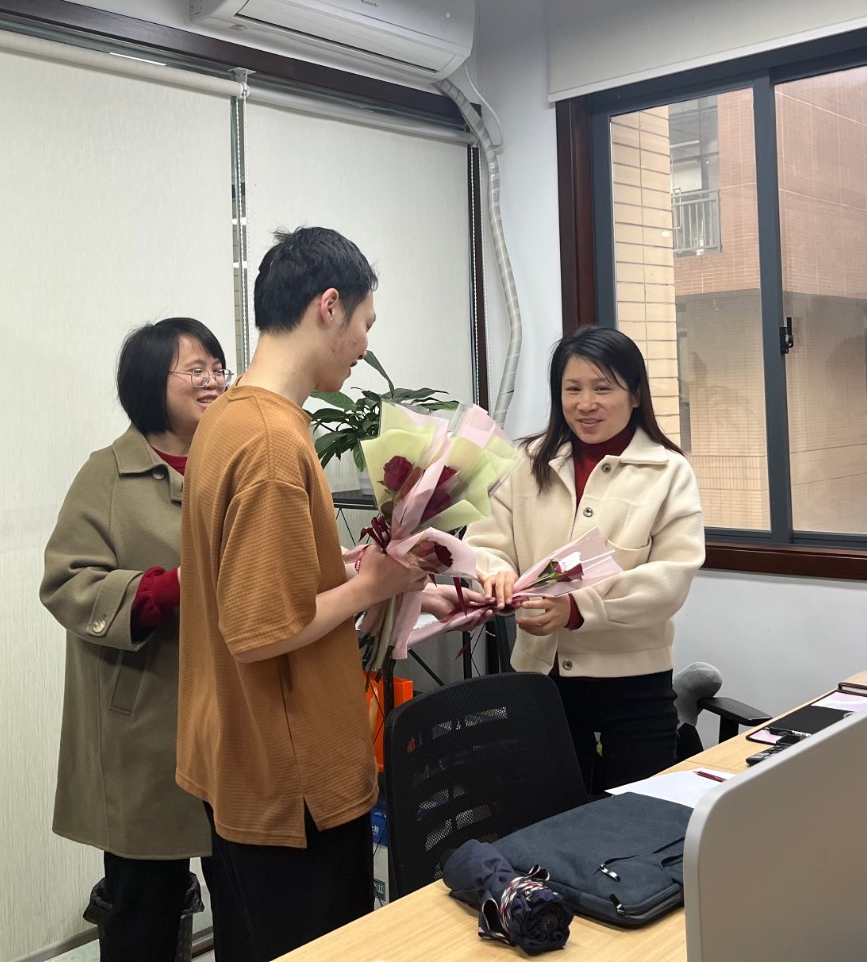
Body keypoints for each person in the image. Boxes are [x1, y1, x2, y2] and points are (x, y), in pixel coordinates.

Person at [174, 227, 425, 962]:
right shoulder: (273, 443)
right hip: (294, 785)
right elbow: (261, 631)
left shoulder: (229, 418)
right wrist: (372, 584)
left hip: (239, 763)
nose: (364, 347)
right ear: (328, 306)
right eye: (365, 324)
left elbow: (244, 580)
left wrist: (337, 570)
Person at [40, 318, 231, 962]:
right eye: (195, 369)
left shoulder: (232, 463)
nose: (212, 381)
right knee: (143, 910)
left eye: (218, 368)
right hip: (144, 722)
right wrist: (167, 588)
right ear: (151, 382)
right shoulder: (106, 474)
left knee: (244, 899)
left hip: (233, 717)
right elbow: (66, 583)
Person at [469, 324, 704, 794]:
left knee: (635, 819)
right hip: (540, 678)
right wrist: (495, 576)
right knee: (546, 814)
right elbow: (485, 543)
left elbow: (671, 578)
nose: (585, 403)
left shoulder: (668, 471)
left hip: (634, 686)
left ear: (635, 395)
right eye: (572, 389)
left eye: (603, 388)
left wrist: (578, 609)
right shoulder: (526, 461)